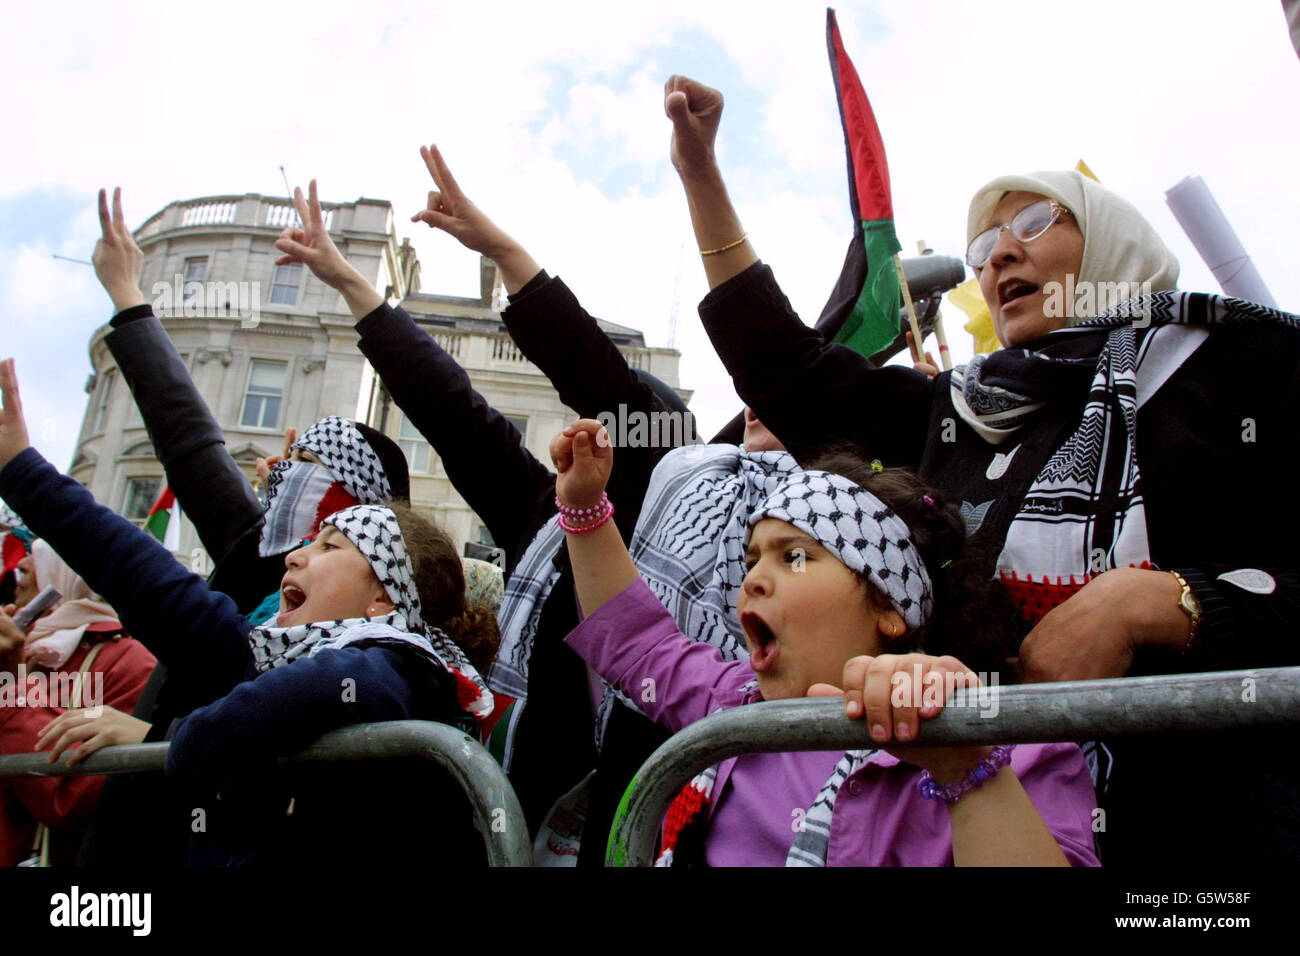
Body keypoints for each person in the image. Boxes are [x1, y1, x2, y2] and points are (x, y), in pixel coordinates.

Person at [662, 74, 1300, 865]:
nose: (999, 254)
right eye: (982, 247)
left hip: (1211, 847)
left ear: (1113, 239)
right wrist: (699, 175)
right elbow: (782, 364)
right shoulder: (952, 415)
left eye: (1034, 221)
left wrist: (1164, 602)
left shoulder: (1246, 366)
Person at [270, 155, 698, 862]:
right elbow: (453, 412)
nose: (588, 440)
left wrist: (506, 253)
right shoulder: (545, 517)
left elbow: (603, 379)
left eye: (616, 428)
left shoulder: (691, 542)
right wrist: (353, 286)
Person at [0, 359, 497, 866]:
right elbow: (146, 575)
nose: (295, 555)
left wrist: (174, 740)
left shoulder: (396, 665)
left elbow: (319, 687)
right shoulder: (269, 654)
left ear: (383, 599)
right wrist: (20, 469)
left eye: (330, 547)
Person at [550, 418, 1097, 866]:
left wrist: (961, 763)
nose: (753, 580)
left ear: (887, 606)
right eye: (751, 559)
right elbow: (637, 642)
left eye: (793, 556)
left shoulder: (1007, 740)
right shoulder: (732, 708)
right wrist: (582, 506)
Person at [0, 539, 155, 865]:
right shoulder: (26, 648)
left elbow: (67, 800)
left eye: (39, 554)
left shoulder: (128, 660)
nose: (23, 564)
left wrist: (12, 686)